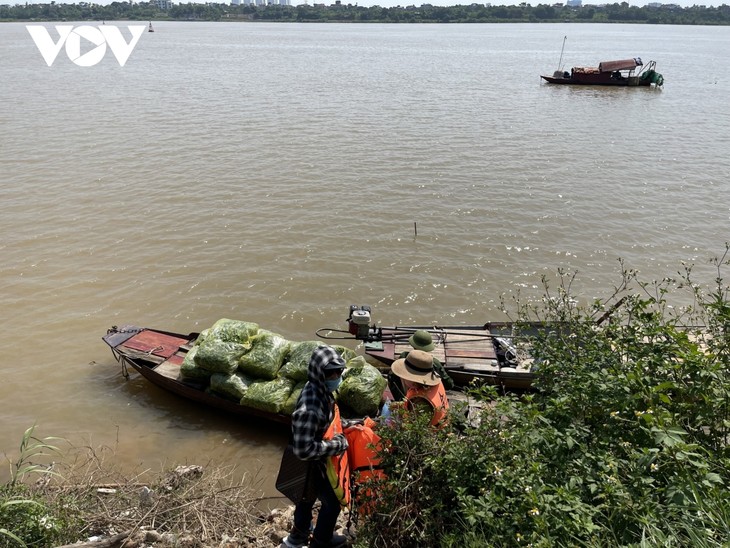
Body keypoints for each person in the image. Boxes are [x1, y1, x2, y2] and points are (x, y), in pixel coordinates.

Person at [282, 346, 351, 548]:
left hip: (315, 461)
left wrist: (347, 425)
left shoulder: (320, 390)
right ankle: (321, 540)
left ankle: (299, 535)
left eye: (339, 371)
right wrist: (337, 445)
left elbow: (327, 422)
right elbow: (304, 449)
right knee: (332, 503)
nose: (336, 376)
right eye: (331, 373)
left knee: (305, 498)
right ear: (319, 374)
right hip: (311, 463)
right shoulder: (309, 409)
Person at [388, 349, 449, 428]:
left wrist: (394, 425)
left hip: (432, 434)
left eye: (404, 376)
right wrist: (401, 405)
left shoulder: (420, 402)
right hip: (442, 423)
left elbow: (415, 430)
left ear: (413, 381)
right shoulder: (436, 381)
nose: (402, 378)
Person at [388, 329, 454, 400]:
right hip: (423, 396)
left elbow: (394, 376)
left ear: (413, 344)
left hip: (405, 395)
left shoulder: (404, 356)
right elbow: (449, 384)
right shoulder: (434, 363)